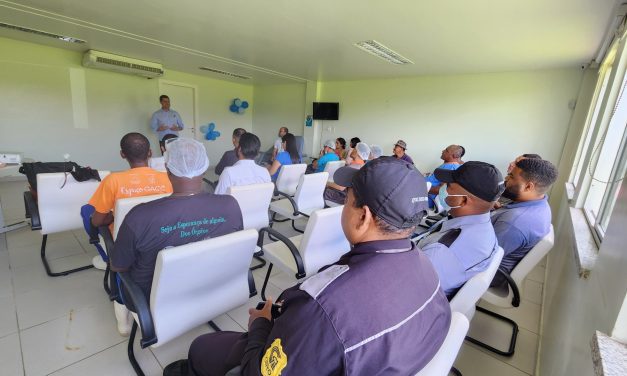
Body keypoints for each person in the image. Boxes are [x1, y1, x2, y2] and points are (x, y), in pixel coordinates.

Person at [165, 157, 451, 376]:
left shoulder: (324, 305)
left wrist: (261, 323)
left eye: (347, 200)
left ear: (363, 217)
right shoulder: (428, 265)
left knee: (201, 348)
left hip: (291, 350)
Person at [110, 138, 243, 336]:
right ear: (204, 167)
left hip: (152, 300)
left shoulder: (140, 216)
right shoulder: (230, 205)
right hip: (211, 287)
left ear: (167, 169)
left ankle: (124, 322)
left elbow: (119, 266)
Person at [85, 133, 173, 270]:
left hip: (124, 239)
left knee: (87, 210)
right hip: (160, 234)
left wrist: (113, 216)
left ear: (122, 154)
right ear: (150, 152)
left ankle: (107, 257)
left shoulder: (112, 180)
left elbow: (97, 221)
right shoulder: (168, 178)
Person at [418, 161, 503, 298]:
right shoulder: (483, 227)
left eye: (448, 186)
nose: (442, 188)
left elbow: (407, 292)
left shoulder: (441, 252)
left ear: (462, 201)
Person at [491, 158, 558, 288]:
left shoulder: (514, 223)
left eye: (511, 177)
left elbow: (481, 258)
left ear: (528, 186)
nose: (506, 179)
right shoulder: (540, 204)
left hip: (489, 274)